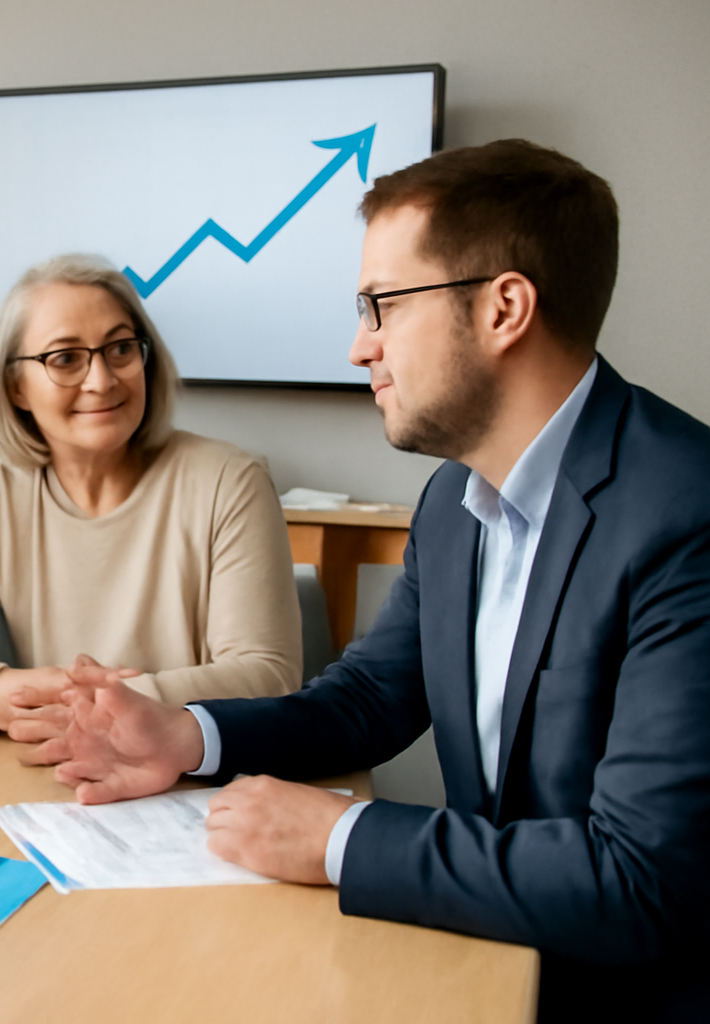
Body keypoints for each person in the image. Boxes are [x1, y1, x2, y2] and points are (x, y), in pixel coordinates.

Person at [49, 140, 710, 1021]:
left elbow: (638, 882)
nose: (360, 346)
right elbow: (366, 702)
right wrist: (186, 737)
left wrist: (340, 838)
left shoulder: (686, 515)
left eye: (382, 305)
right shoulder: (453, 501)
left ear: (504, 308)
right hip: (487, 953)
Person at [0, 254, 302, 761]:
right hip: (55, 775)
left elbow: (268, 673)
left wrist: (114, 705)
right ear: (16, 386)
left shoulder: (230, 482)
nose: (102, 380)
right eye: (65, 359)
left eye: (121, 349)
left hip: (187, 782)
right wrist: (1, 692)